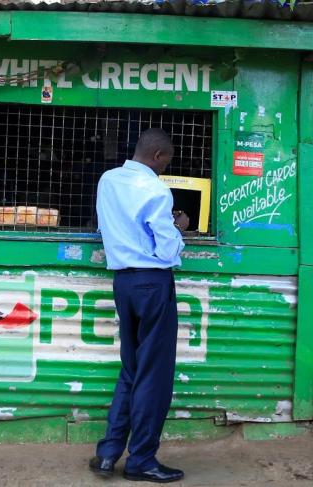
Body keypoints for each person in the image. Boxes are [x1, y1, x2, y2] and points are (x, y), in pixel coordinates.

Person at [90, 128, 189, 483]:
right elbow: (166, 250)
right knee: (154, 376)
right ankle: (141, 459)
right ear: (159, 157)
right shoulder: (155, 190)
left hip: (124, 283)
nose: (164, 170)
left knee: (131, 369)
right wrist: (179, 228)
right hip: (152, 284)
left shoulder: (108, 180)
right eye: (167, 163)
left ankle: (108, 453)